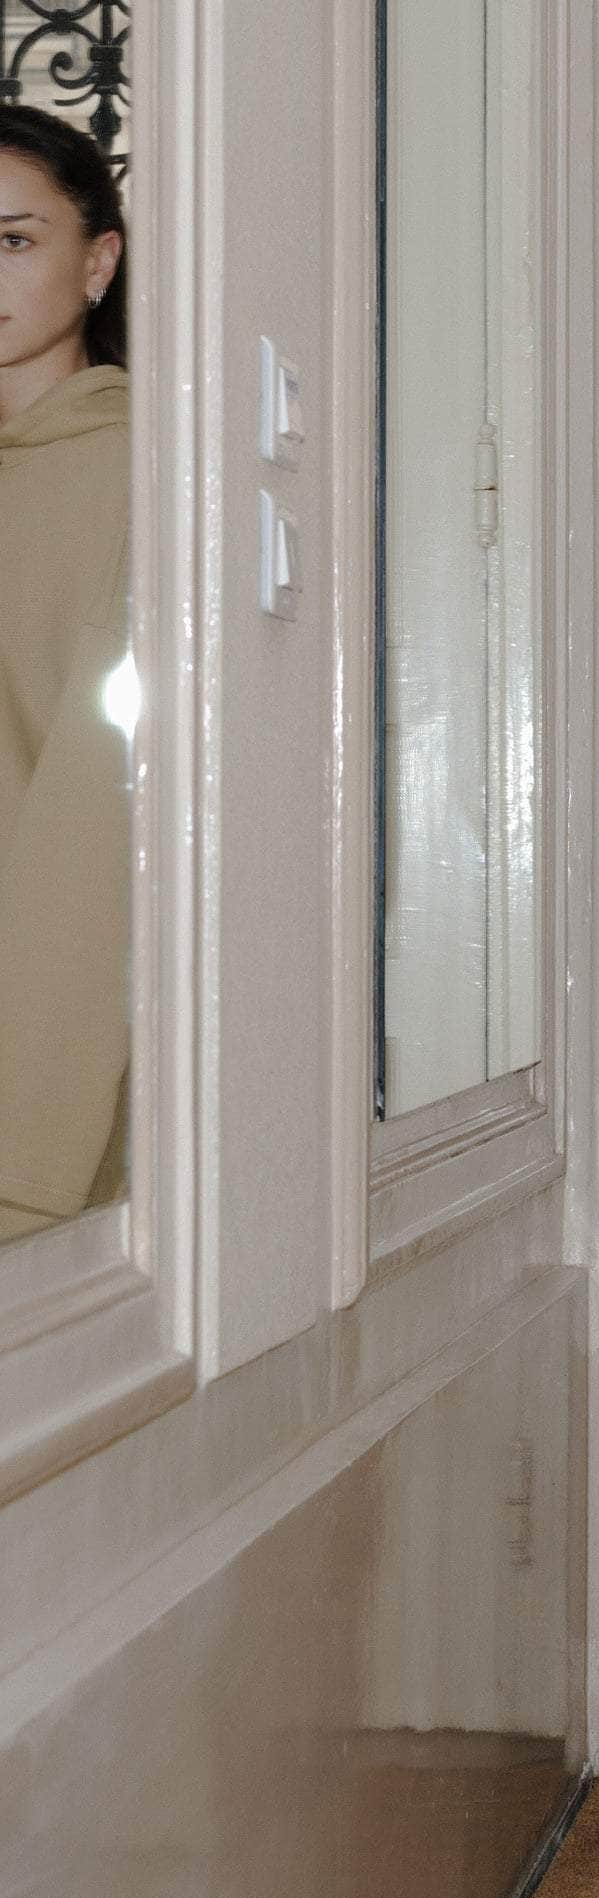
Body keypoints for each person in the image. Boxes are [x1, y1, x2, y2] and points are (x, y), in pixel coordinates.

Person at [0, 105, 131, 1243]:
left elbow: (102, 811)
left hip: (46, 1073)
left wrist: (24, 1139)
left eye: (13, 239)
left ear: (98, 262)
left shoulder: (143, 477)